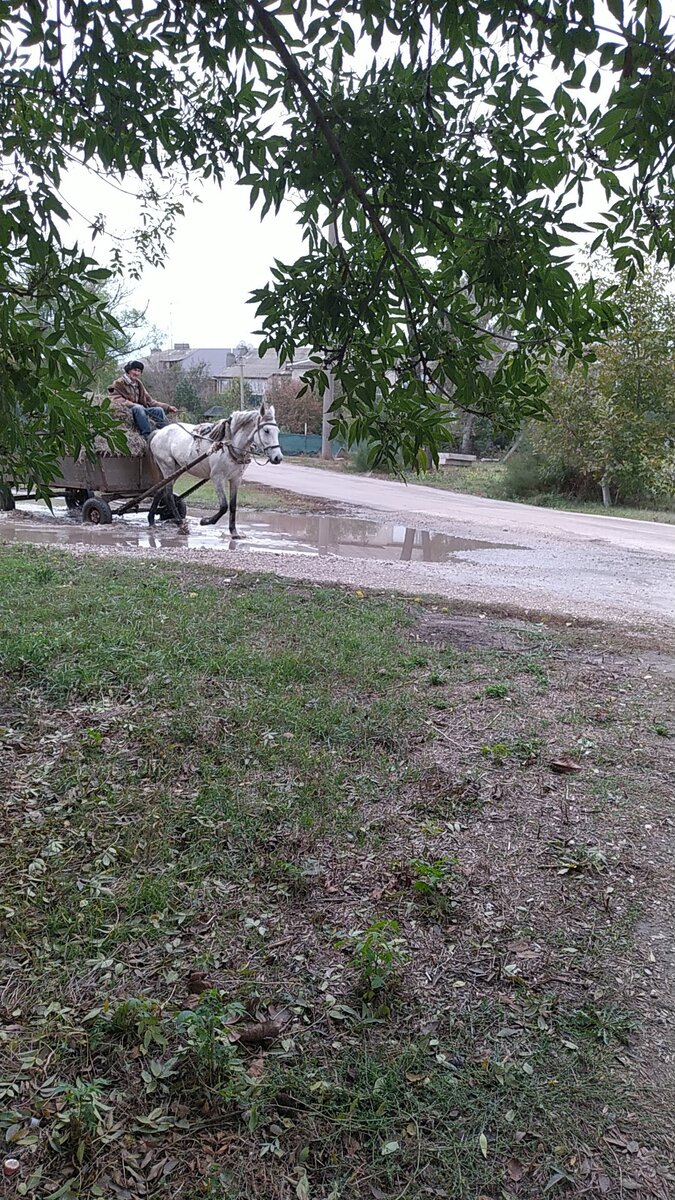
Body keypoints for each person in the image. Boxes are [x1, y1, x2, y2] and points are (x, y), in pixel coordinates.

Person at [108, 361, 177, 437]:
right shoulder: (118, 383)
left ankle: (164, 434)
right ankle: (147, 435)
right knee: (139, 408)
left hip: (141, 410)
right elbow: (114, 398)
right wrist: (132, 405)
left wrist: (168, 407)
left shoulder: (138, 384)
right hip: (129, 410)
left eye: (139, 371)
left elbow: (150, 401)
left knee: (158, 410)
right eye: (134, 370)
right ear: (129, 370)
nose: (136, 373)